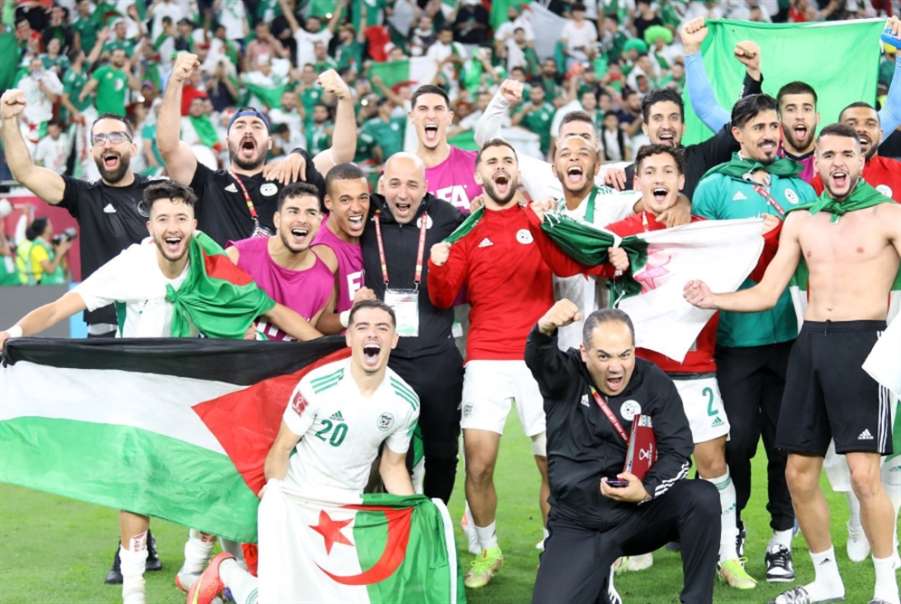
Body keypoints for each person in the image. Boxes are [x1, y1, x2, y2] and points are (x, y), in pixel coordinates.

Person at [0, 180, 321, 604]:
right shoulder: (129, 267)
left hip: (193, 388)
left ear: (194, 224)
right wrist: (13, 331)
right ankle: (134, 591)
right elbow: (62, 307)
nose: (173, 227)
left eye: (181, 218)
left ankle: (195, 569)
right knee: (137, 484)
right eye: (163, 219)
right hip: (137, 392)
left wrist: (325, 350)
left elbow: (268, 309)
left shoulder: (209, 259)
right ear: (150, 226)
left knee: (214, 472)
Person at [685, 123, 901, 604]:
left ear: (862, 159)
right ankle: (826, 579)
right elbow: (767, 292)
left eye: (847, 153)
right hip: (809, 346)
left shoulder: (889, 215)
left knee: (865, 475)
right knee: (798, 474)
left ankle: (888, 588)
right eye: (829, 155)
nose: (838, 163)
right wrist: (713, 297)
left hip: (863, 347)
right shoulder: (803, 220)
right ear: (816, 163)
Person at [185, 299, 419, 604]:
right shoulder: (318, 386)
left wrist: (412, 512)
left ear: (394, 339)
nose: (372, 334)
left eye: (382, 328)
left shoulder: (405, 402)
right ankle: (227, 570)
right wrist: (276, 497)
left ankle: (228, 575)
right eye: (363, 327)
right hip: (295, 498)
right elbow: (282, 448)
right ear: (349, 337)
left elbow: (393, 466)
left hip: (345, 509)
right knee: (282, 599)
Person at [691, 93, 816, 582]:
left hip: (790, 338)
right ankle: (734, 528)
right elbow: (702, 254)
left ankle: (782, 539)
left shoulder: (798, 186)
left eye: (773, 126)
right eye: (758, 127)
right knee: (737, 442)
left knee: (787, 444)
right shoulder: (714, 186)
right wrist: (756, 235)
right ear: (737, 134)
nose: (769, 134)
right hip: (735, 339)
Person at [526, 301, 719, 604]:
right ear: (584, 352)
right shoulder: (564, 376)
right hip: (579, 523)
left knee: (702, 497)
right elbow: (538, 357)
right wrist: (544, 329)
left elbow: (678, 450)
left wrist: (646, 490)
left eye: (624, 355)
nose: (616, 367)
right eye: (604, 356)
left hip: (639, 515)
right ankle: (599, 584)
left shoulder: (653, 381)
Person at [428, 139, 553, 589]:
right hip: (485, 357)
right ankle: (487, 548)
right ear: (478, 175)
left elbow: (569, 262)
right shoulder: (467, 229)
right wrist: (438, 265)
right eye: (492, 162)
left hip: (538, 355)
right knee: (479, 465)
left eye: (508, 161)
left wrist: (542, 214)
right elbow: (443, 297)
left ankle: (556, 546)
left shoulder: (540, 218)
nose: (501, 168)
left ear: (517, 172)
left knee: (553, 465)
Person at [158, 52, 355, 246]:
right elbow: (169, 147)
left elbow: (340, 156)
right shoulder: (208, 182)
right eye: (240, 126)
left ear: (269, 142)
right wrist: (175, 81)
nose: (248, 130)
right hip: (224, 268)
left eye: (257, 126)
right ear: (228, 141)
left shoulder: (290, 176)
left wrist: (345, 98)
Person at [359, 152, 465, 503]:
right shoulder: (365, 216)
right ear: (381, 185)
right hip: (385, 360)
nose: (402, 194)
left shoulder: (446, 216)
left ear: (425, 188)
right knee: (384, 449)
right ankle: (394, 523)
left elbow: (489, 220)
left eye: (412, 185)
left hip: (436, 359)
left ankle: (435, 518)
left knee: (443, 452)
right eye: (394, 184)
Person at [225, 182, 335, 341]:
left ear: (319, 222)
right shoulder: (237, 256)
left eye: (311, 213)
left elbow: (305, 347)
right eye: (293, 211)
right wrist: (229, 332)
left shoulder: (323, 281)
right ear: (277, 219)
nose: (302, 219)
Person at [310, 163, 371, 334]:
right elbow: (318, 322)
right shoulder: (324, 253)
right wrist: (353, 314)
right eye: (345, 200)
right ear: (328, 202)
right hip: (345, 347)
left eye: (363, 198)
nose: (356, 207)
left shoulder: (371, 229)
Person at [409, 84, 482, 213]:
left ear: (450, 117)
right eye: (423, 109)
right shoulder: (398, 174)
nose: (431, 115)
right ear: (412, 117)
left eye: (438, 108)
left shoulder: (477, 163)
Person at [811, 102, 901, 203]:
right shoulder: (820, 182)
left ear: (881, 135)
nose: (861, 129)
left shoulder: (898, 172)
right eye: (851, 124)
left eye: (870, 124)